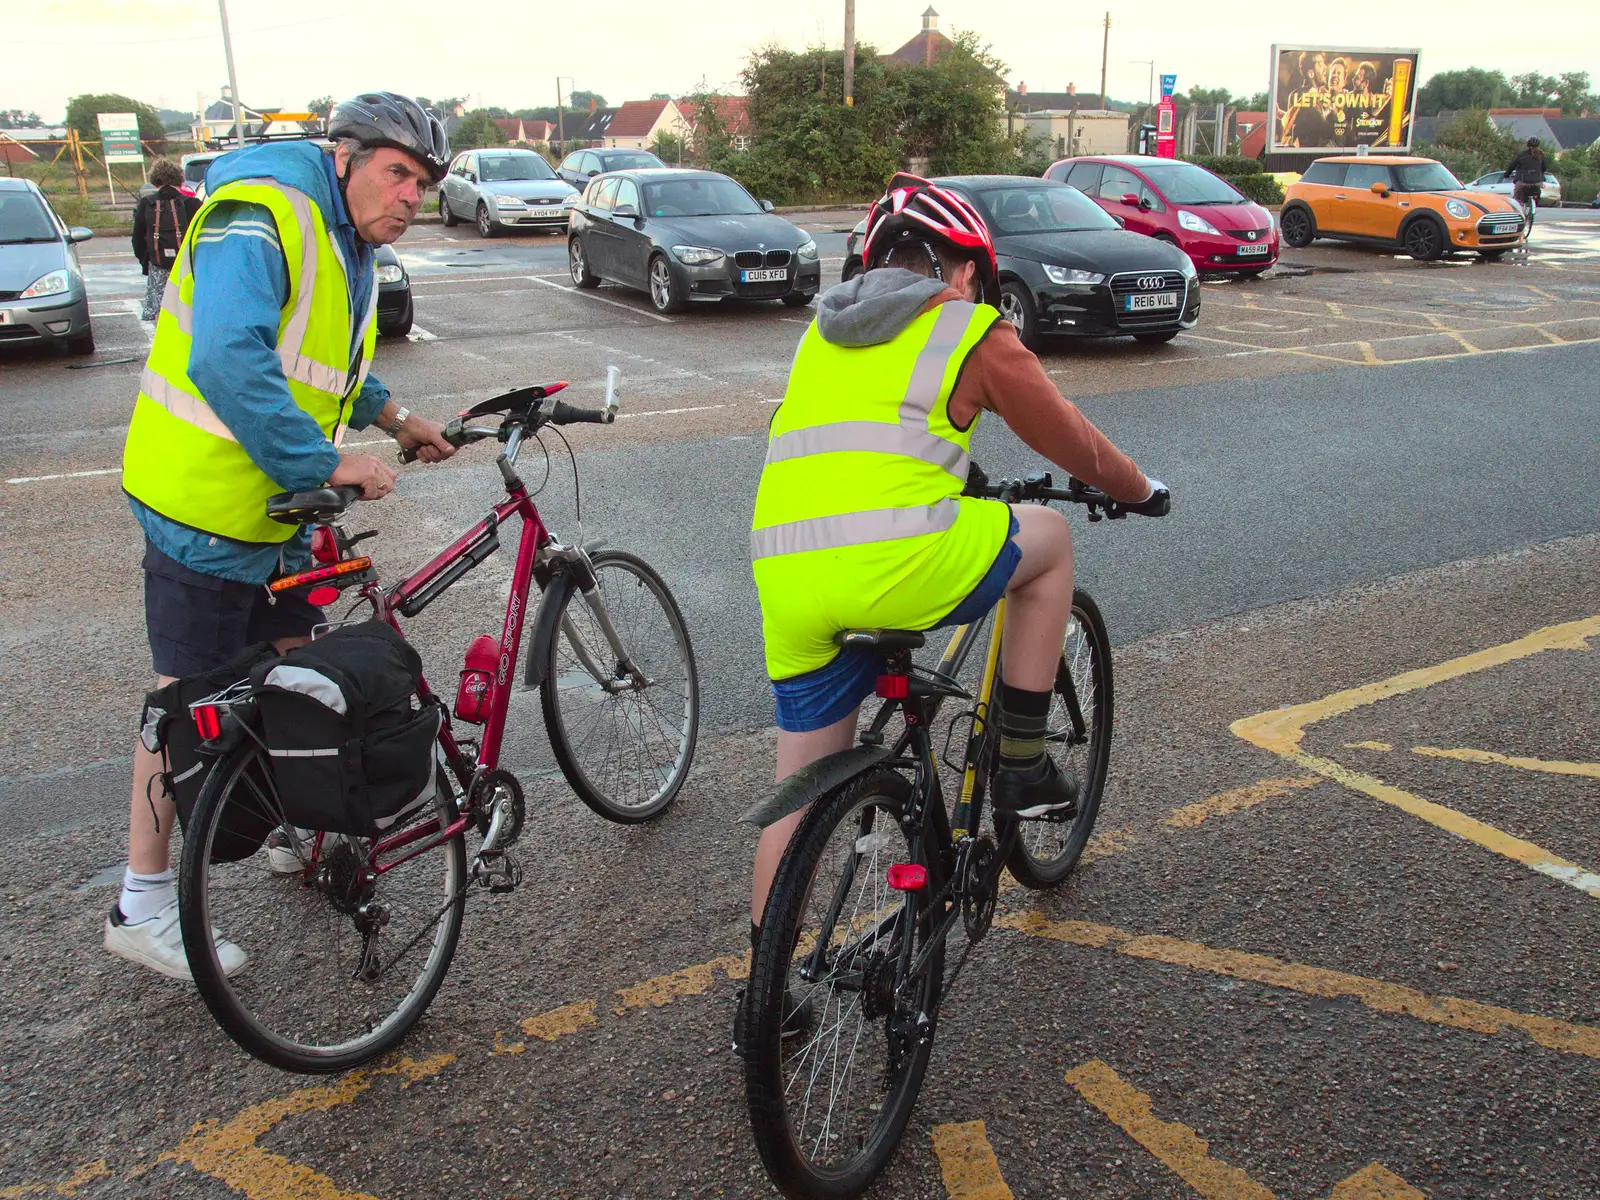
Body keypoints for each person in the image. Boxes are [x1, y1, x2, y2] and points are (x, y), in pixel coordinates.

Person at [742, 175, 1167, 1027]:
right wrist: (1141, 488)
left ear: (871, 265)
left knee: (800, 786)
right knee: (1046, 540)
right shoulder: (969, 327)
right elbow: (1068, 437)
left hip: (786, 575)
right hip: (899, 566)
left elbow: (854, 450)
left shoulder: (820, 338)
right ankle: (1020, 761)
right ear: (966, 268)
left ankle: (766, 995)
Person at [105, 93, 457, 980]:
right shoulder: (263, 210)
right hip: (206, 509)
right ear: (344, 157)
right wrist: (328, 463)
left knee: (292, 677)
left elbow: (323, 362)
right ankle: (142, 905)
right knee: (183, 710)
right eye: (398, 172)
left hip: (274, 517)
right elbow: (227, 356)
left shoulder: (347, 238)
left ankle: (281, 822)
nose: (412, 195)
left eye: (425, 182)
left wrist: (396, 416)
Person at [131, 158, 201, 321]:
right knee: (189, 311)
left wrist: (148, 263)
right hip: (188, 268)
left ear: (155, 179)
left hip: (158, 267)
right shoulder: (192, 204)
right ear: (179, 178)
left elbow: (137, 241)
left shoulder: (147, 204)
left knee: (161, 315)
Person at [1504, 137, 1547, 233]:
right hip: (1537, 182)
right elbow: (1544, 167)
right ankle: (1535, 202)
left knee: (1517, 198)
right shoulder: (1541, 155)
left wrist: (1507, 174)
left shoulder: (1522, 155)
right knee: (1536, 190)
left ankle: (1516, 213)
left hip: (1523, 182)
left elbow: (1513, 165)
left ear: (1528, 146)